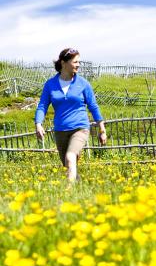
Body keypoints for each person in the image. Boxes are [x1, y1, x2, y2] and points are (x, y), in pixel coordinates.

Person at [35, 48, 106, 183]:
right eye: (75, 62)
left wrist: (102, 129)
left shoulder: (83, 84)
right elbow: (42, 106)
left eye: (79, 61)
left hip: (80, 127)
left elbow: (93, 106)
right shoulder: (50, 85)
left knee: (70, 156)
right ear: (64, 63)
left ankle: (68, 192)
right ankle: (79, 191)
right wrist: (38, 124)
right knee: (68, 166)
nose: (78, 65)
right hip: (61, 129)